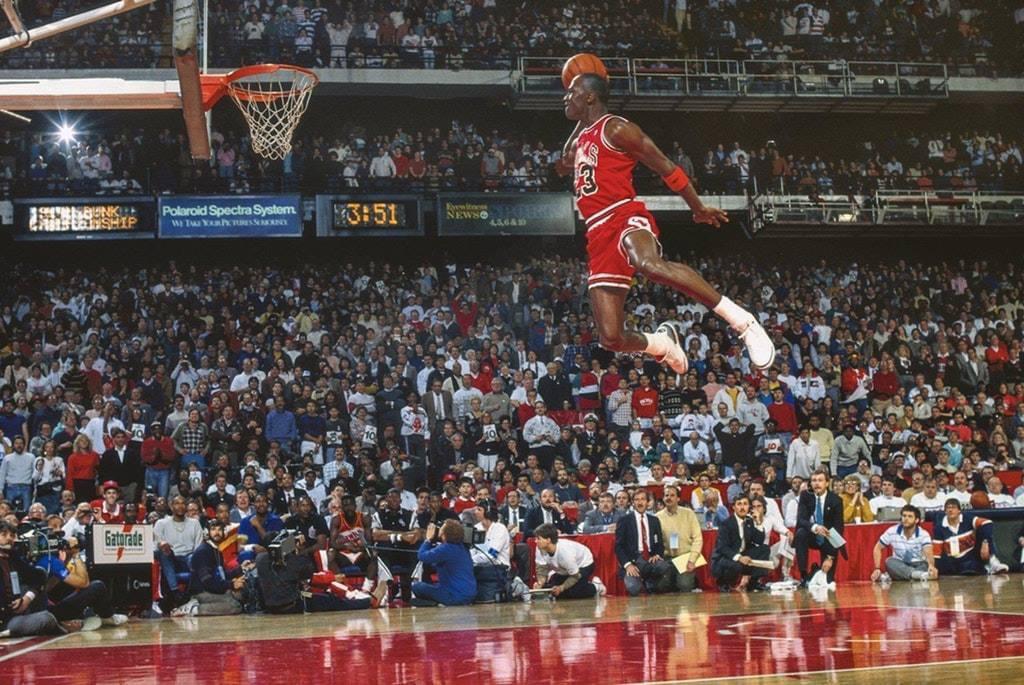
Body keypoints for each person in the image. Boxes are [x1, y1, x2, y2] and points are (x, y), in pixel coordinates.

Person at [558, 72, 774, 377]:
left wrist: (697, 207)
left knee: (649, 264)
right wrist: (581, 115)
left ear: (591, 96)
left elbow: (666, 167)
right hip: (596, 231)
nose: (566, 97)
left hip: (622, 214)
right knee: (611, 338)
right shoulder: (582, 138)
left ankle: (742, 321)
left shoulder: (617, 128)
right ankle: (662, 344)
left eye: (572, 91)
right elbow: (563, 164)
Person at [0, 520, 76, 637]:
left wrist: (27, 599)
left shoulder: (12, 557)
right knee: (46, 618)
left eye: (12, 535)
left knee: (37, 578)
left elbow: (39, 576)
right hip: (4, 619)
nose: (9, 538)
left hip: (16, 613)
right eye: (4, 534)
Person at [176, 520, 246, 616]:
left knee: (239, 596)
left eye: (220, 529)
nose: (217, 532)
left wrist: (241, 569)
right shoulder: (203, 551)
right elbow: (207, 582)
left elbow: (221, 575)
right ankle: (192, 609)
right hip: (201, 592)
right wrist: (231, 584)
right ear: (206, 533)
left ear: (225, 532)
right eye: (213, 529)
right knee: (235, 606)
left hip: (212, 589)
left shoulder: (216, 551)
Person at [614, 489, 673, 595]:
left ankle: (651, 583)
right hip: (634, 561)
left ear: (648, 502)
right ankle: (645, 580)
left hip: (650, 558)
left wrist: (657, 554)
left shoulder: (654, 520)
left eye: (642, 499)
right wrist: (628, 565)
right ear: (632, 503)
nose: (640, 502)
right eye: (636, 499)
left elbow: (659, 542)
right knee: (633, 589)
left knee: (665, 566)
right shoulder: (624, 520)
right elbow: (618, 546)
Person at [152, 495, 204, 614]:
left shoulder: (194, 523)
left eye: (183, 503)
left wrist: (195, 556)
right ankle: (175, 592)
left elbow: (198, 546)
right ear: (171, 506)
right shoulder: (161, 523)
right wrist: (162, 545)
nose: (180, 506)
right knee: (164, 552)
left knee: (195, 556)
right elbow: (154, 546)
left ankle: (191, 593)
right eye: (177, 503)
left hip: (189, 557)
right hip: (170, 557)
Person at [794, 468, 845, 586]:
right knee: (801, 533)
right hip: (812, 534)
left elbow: (838, 528)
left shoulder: (836, 500)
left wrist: (830, 558)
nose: (817, 483)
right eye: (814, 480)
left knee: (827, 581)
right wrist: (815, 527)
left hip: (829, 538)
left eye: (820, 480)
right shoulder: (805, 496)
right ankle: (804, 575)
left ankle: (819, 571)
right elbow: (801, 520)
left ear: (827, 483)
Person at [932, 498, 1009, 576]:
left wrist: (985, 542)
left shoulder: (967, 518)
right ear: (945, 511)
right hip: (953, 560)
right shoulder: (939, 527)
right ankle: (985, 569)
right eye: (948, 508)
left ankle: (993, 562)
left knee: (984, 529)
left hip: (972, 555)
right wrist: (933, 567)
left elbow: (987, 522)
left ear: (959, 510)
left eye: (953, 507)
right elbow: (936, 553)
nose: (950, 510)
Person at [711, 494, 771, 591]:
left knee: (764, 549)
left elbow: (759, 541)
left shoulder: (749, 521)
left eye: (745, 504)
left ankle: (753, 582)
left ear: (749, 507)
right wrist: (739, 558)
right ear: (734, 507)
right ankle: (724, 582)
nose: (742, 507)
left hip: (741, 554)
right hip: (725, 557)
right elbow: (722, 548)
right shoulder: (726, 524)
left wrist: (758, 522)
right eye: (739, 504)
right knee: (736, 565)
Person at [412, 519, 476, 606]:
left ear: (445, 534)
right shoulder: (463, 547)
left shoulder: (446, 548)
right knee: (434, 585)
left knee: (417, 587)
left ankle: (437, 603)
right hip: (470, 595)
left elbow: (422, 556)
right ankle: (437, 602)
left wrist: (428, 540)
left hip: (454, 596)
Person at [533, 523, 604, 599]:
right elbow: (541, 569)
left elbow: (575, 576)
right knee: (554, 591)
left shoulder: (565, 553)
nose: (535, 541)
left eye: (538, 539)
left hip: (584, 564)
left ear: (548, 540)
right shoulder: (540, 548)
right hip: (564, 569)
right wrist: (540, 583)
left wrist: (561, 588)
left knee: (573, 592)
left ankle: (596, 586)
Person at [870, 505, 938, 582]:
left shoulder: (923, 534)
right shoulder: (892, 531)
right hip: (900, 563)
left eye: (910, 516)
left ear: (916, 520)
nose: (906, 519)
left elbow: (928, 552)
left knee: (925, 565)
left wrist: (931, 566)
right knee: (889, 562)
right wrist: (877, 568)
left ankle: (899, 576)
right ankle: (917, 575)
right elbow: (877, 548)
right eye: (904, 516)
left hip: (918, 564)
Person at [656, 484, 704, 592]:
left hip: (685, 557)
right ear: (663, 498)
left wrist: (692, 560)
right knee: (661, 587)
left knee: (684, 585)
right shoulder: (657, 517)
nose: (669, 498)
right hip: (666, 558)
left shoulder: (689, 514)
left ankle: (691, 580)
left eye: (672, 495)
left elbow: (698, 539)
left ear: (678, 498)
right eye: (666, 495)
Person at [470, 499, 511, 603]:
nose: (475, 512)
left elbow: (491, 555)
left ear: (487, 512)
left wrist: (470, 560)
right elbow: (472, 551)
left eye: (479, 509)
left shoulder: (500, 529)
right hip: (478, 567)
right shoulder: (476, 528)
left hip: (498, 567)